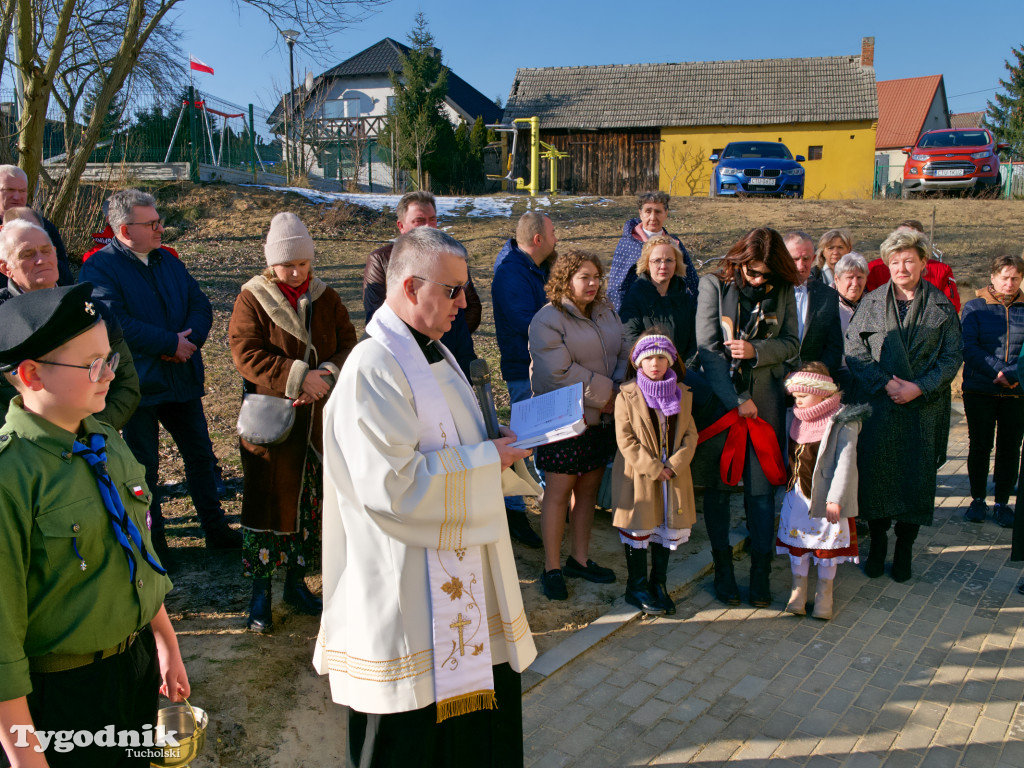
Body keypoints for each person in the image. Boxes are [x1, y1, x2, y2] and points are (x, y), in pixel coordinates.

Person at [313, 226, 540, 767]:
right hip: (404, 591)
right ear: (413, 288)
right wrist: (488, 461)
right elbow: (391, 486)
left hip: (455, 583)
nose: (465, 303)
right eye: (455, 290)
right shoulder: (373, 368)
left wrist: (495, 443)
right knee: (407, 743)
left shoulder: (437, 354)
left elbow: (453, 442)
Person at [0, 284, 189, 767]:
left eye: (110, 360)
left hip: (134, 665)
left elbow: (133, 553)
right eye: (92, 365)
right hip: (63, 696)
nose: (109, 374)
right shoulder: (11, 476)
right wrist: (26, 757)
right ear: (31, 374)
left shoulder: (105, 439)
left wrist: (164, 640)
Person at [79, 188, 241, 557]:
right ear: (124, 230)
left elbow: (200, 303)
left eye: (158, 221)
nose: (159, 228)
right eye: (150, 223)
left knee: (201, 456)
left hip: (182, 378)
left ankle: (216, 529)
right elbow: (114, 321)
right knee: (144, 468)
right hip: (138, 385)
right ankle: (156, 544)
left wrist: (190, 342)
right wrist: (169, 343)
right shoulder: (99, 267)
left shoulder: (167, 260)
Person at [228, 213, 357, 633]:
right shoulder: (253, 298)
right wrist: (300, 377)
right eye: (288, 265)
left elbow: (348, 344)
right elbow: (245, 353)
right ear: (272, 262)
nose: (297, 271)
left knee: (308, 508)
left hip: (318, 424)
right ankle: (260, 595)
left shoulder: (326, 297)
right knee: (267, 505)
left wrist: (329, 377)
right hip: (274, 424)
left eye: (303, 262)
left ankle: (297, 584)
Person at [845, 227, 962, 582]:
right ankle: (878, 543)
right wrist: (887, 383)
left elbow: (951, 357)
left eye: (909, 260)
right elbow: (855, 351)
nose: (902, 267)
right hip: (880, 406)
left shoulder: (941, 306)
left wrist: (918, 388)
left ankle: (905, 547)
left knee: (915, 478)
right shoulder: (871, 302)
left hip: (923, 409)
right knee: (878, 477)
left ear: (923, 263)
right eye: (895, 261)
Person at [695, 227, 801, 607]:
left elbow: (792, 343)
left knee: (760, 491)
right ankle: (722, 571)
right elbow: (707, 349)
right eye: (753, 272)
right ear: (739, 263)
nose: (759, 281)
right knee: (720, 487)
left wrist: (755, 350)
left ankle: (760, 574)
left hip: (766, 402)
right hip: (723, 401)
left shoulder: (783, 289)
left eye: (766, 276)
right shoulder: (713, 285)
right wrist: (736, 399)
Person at [529, 249, 629, 601]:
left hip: (600, 419)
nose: (593, 283)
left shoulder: (605, 311)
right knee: (558, 495)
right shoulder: (547, 320)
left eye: (596, 277)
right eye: (584, 277)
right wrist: (610, 395)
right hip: (564, 422)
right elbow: (557, 373)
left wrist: (617, 390)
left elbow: (622, 351)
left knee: (587, 492)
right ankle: (552, 567)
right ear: (566, 280)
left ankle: (580, 559)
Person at [0, 219, 140, 429]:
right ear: (5, 267)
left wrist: (89, 433)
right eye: (28, 254)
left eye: (47, 251)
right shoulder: (2, 320)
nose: (41, 260)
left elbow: (126, 384)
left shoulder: (92, 311)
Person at [611, 332, 697, 616]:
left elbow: (690, 434)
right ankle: (635, 587)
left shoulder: (683, 394)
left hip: (672, 475)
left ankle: (658, 583)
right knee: (641, 526)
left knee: (666, 527)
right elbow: (625, 439)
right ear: (638, 362)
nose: (655, 363)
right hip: (640, 475)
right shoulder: (627, 394)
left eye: (661, 357)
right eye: (648, 358)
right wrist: (653, 467)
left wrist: (674, 465)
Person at [776, 364, 867, 620]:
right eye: (794, 397)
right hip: (797, 496)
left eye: (802, 396)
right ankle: (798, 590)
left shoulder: (842, 421)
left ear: (820, 393)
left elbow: (845, 462)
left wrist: (836, 499)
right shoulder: (794, 417)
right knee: (798, 542)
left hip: (826, 500)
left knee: (826, 549)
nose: (797, 401)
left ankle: (825, 594)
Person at [491, 211, 558, 549]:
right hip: (524, 370)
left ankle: (546, 508)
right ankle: (514, 511)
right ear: (537, 240)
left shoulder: (532, 268)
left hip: (541, 366)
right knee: (520, 443)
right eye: (553, 233)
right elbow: (525, 322)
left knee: (537, 438)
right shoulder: (511, 273)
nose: (556, 238)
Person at [363, 190, 480, 377]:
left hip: (452, 355)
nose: (429, 226)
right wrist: (425, 334)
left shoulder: (450, 256)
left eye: (432, 219)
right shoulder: (381, 259)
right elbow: (377, 316)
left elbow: (472, 307)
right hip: (408, 362)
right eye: (419, 220)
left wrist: (444, 327)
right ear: (401, 226)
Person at [960, 254, 1024, 528]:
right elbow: (969, 347)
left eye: (1016, 278)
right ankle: (977, 499)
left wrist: (1013, 375)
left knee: (1010, 448)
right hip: (980, 389)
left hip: (1017, 392)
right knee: (980, 446)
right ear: (993, 277)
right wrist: (998, 370)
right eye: (1005, 277)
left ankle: (1002, 502)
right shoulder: (974, 307)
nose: (1010, 283)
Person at [607, 191, 698, 312]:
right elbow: (617, 287)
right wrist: (620, 319)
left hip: (672, 309)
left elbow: (692, 280)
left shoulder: (675, 243)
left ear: (666, 213)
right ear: (640, 213)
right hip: (638, 312)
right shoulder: (629, 244)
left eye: (658, 211)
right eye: (648, 211)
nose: (653, 217)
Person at [0, 165, 73, 287]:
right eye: (9, 190)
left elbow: (64, 276)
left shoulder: (44, 227)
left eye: (22, 191)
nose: (17, 197)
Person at [865, 220, 961, 312]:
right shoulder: (874, 268)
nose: (901, 269)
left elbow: (952, 305)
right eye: (900, 236)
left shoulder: (941, 270)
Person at [784, 230, 843, 377]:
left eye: (806, 259)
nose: (800, 266)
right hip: (774, 383)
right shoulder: (769, 294)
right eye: (794, 259)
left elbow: (834, 347)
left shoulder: (828, 296)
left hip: (814, 383)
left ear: (814, 258)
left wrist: (815, 376)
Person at [833, 251, 870, 392]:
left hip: (869, 375)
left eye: (860, 277)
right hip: (838, 377)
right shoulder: (827, 306)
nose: (855, 283)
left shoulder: (873, 305)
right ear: (837, 279)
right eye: (849, 277)